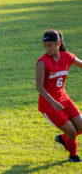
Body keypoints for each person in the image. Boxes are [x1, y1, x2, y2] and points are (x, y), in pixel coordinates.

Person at [36, 29, 82, 162]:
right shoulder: (42, 63)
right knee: (72, 131)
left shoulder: (67, 57)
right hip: (48, 104)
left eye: (50, 45)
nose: (47, 49)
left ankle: (63, 139)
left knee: (80, 126)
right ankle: (73, 156)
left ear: (58, 43)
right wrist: (53, 102)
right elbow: (39, 87)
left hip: (64, 99)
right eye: (45, 46)